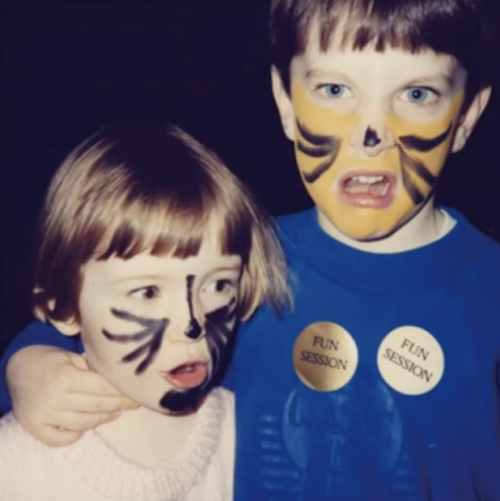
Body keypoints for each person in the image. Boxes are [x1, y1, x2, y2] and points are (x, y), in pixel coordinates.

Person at [1, 1, 500, 500]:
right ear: (285, 102)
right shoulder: (241, 258)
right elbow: (92, 313)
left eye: (417, 93)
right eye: (334, 89)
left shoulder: (488, 293)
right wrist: (27, 366)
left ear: (467, 115)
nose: (371, 135)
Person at [0, 123, 289, 500]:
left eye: (218, 285)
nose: (191, 324)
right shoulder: (15, 465)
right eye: (148, 291)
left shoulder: (257, 444)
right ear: (62, 306)